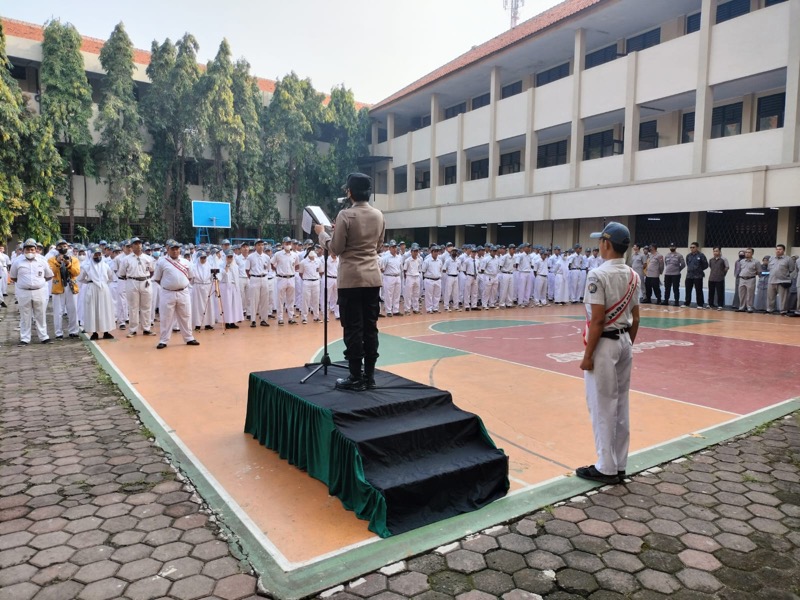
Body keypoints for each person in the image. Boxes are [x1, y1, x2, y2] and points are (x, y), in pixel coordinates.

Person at [577, 222, 640, 485]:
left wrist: (588, 355)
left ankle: (606, 467)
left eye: (600, 241)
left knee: (602, 406)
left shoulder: (597, 275)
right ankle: (620, 463)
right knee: (621, 404)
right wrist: (627, 344)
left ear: (606, 243)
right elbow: (636, 318)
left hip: (603, 345)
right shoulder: (633, 275)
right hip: (625, 341)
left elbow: (599, 321)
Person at [315, 172, 386, 391]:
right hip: (373, 279)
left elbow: (335, 249)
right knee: (370, 328)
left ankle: (356, 376)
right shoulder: (379, 215)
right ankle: (370, 375)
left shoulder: (345, 215)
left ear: (350, 192)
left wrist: (322, 234)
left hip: (351, 279)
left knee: (353, 328)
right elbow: (379, 247)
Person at [152, 241, 199, 350]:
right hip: (167, 293)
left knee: (186, 316)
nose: (175, 251)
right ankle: (163, 340)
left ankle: (189, 338)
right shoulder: (162, 262)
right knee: (166, 317)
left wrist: (180, 284)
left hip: (183, 292)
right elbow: (157, 278)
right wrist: (169, 286)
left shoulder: (186, 262)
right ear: (168, 249)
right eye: (173, 249)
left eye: (177, 249)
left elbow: (190, 277)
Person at [10, 239, 54, 346]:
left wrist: (37, 283)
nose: (30, 251)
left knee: (41, 314)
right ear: (23, 250)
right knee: (25, 315)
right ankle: (25, 338)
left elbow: (49, 275)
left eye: (32, 249)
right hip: (24, 292)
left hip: (39, 291)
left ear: (35, 250)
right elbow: (13, 277)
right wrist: (25, 284)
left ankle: (44, 337)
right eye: (27, 249)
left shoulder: (42, 261)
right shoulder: (17, 262)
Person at [118, 237, 155, 337]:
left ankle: (146, 328)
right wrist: (132, 278)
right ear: (132, 246)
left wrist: (145, 278)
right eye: (135, 244)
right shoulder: (126, 259)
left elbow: (152, 270)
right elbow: (121, 273)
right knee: (133, 307)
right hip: (132, 281)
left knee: (146, 306)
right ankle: (133, 329)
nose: (138, 245)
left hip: (145, 281)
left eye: (139, 243)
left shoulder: (148, 258)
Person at [77, 247, 116, 340]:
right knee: (92, 310)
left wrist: (104, 284)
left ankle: (106, 331)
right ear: (91, 255)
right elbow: (80, 278)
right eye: (96, 254)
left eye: (99, 254)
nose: (98, 256)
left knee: (104, 310)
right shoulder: (86, 266)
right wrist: (90, 282)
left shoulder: (106, 265)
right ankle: (94, 333)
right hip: (92, 288)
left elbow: (111, 277)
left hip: (104, 289)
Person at [48, 239, 81, 339]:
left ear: (68, 247)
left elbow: (76, 272)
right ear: (57, 248)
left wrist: (68, 263)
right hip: (58, 287)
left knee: (73, 309)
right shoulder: (51, 260)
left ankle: (73, 331)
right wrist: (58, 262)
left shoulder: (74, 259)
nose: (62, 248)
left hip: (71, 287)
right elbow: (51, 272)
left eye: (64, 246)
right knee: (58, 311)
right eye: (60, 246)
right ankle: (58, 333)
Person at [767, 244, 796, 315]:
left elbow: (792, 270)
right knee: (770, 297)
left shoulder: (788, 259)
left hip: (783, 281)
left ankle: (783, 311)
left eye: (780, 249)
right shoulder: (771, 258)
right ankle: (770, 310)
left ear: (783, 250)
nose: (778, 251)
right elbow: (769, 268)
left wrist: (788, 279)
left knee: (783, 298)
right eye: (777, 249)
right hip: (772, 281)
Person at [219, 250, 243, 329]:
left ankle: (233, 321)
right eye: (228, 257)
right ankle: (227, 322)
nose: (230, 258)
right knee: (227, 305)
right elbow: (220, 276)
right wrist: (226, 266)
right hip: (225, 286)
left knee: (234, 305)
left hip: (234, 286)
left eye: (231, 257)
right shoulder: (221, 265)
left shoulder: (235, 266)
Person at [684, 242, 708, 308]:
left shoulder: (701, 255)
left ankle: (700, 304)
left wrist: (699, 269)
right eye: (691, 247)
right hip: (689, 275)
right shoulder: (688, 256)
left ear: (697, 248)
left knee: (699, 290)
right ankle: (687, 303)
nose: (692, 249)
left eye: (693, 247)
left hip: (698, 275)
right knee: (688, 290)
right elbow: (688, 264)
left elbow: (705, 265)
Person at [736, 248, 759, 313]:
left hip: (751, 279)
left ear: (752, 253)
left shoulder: (756, 262)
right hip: (742, 279)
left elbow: (759, 271)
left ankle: (749, 307)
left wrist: (751, 274)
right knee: (741, 294)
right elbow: (739, 270)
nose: (747, 253)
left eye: (749, 252)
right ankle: (741, 307)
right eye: (746, 252)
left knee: (750, 294)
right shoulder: (741, 261)